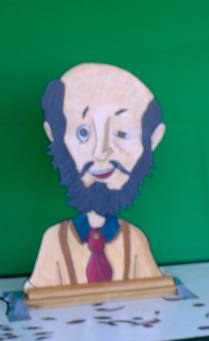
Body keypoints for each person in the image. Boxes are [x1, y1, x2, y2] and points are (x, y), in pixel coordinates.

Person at [28, 63, 165, 289]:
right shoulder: (55, 241)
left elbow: (154, 296)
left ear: (152, 140)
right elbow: (38, 302)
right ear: (54, 134)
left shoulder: (135, 241)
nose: (100, 152)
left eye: (121, 133)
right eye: (83, 133)